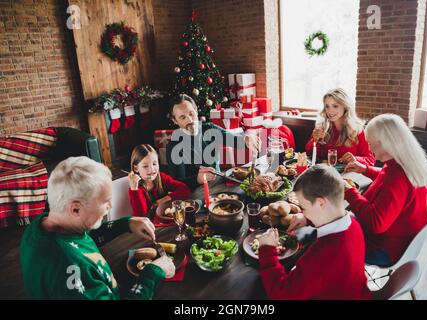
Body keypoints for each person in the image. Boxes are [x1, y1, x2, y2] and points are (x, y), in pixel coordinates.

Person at [20, 156, 175, 299]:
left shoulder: (47, 222)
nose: (111, 206)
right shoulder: (71, 268)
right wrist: (152, 274)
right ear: (75, 209)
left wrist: (125, 223)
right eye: (105, 202)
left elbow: (82, 237)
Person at [257, 164, 371, 300]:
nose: (302, 212)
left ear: (320, 203)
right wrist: (307, 218)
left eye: (303, 207)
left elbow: (281, 295)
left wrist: (267, 250)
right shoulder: (353, 224)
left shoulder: (324, 253)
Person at [344, 114, 427, 267]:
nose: (369, 148)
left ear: (386, 143)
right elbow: (386, 177)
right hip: (404, 242)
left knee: (330, 232)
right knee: (340, 220)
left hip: (386, 249)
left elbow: (376, 223)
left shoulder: (398, 177)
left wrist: (349, 192)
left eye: (371, 143)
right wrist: (366, 169)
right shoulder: (406, 162)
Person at [166, 94, 261, 190]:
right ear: (175, 121)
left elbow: (237, 142)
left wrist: (247, 139)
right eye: (183, 117)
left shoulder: (209, 129)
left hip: (219, 184)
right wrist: (197, 179)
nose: (190, 120)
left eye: (191, 113)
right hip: (194, 194)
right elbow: (177, 184)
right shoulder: (174, 146)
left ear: (196, 110)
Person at [305, 88, 375, 167]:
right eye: (327, 106)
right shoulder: (322, 126)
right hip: (327, 174)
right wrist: (314, 140)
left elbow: (370, 160)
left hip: (350, 176)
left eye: (335, 106)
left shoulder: (357, 130)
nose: (330, 111)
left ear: (345, 106)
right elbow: (309, 154)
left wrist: (355, 159)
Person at [128, 144, 191, 217]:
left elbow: (185, 189)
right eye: (145, 166)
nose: (152, 169)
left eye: (154, 164)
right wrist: (134, 189)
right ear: (136, 168)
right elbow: (141, 215)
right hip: (149, 224)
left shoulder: (162, 178)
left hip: (164, 220)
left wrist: (164, 199)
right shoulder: (137, 188)